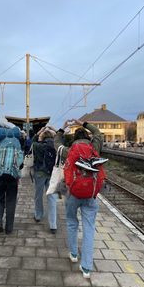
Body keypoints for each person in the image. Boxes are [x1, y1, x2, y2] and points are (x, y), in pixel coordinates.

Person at [54, 119, 103, 278]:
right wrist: (84, 123)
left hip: (73, 193)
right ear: (87, 138)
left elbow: (57, 142)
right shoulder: (94, 147)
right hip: (90, 194)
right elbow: (97, 133)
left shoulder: (69, 151)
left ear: (74, 139)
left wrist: (63, 127)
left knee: (71, 222)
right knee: (89, 228)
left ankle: (74, 254)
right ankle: (87, 268)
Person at [0, 127, 24, 234]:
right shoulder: (18, 145)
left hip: (0, 177)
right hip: (13, 178)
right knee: (11, 201)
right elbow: (21, 164)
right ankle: (9, 228)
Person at [33, 126, 58, 234]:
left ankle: (38, 215)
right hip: (52, 174)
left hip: (39, 174)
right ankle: (53, 224)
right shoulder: (57, 146)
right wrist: (53, 130)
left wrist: (40, 131)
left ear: (42, 137)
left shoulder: (37, 145)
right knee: (52, 198)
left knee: (38, 195)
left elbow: (31, 141)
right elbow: (61, 137)